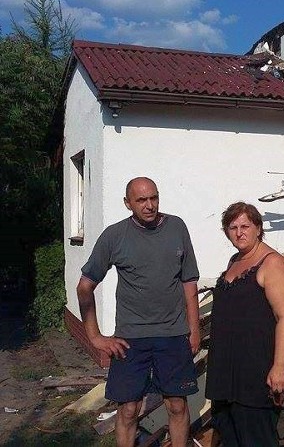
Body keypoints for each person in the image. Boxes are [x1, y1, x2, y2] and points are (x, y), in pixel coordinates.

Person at [76, 177, 200, 447]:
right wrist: (95, 337)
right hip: (131, 339)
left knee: (177, 406)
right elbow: (85, 287)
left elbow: (189, 283)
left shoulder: (177, 227)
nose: (149, 205)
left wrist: (194, 330)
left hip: (173, 334)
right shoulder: (114, 236)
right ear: (127, 203)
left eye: (154, 198)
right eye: (141, 200)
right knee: (129, 410)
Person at [205, 201, 284, 447]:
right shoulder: (235, 261)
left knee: (257, 439)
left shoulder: (272, 263)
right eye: (232, 227)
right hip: (228, 374)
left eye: (245, 226)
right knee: (232, 438)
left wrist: (279, 367)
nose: (239, 232)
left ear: (258, 228)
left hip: (257, 372)